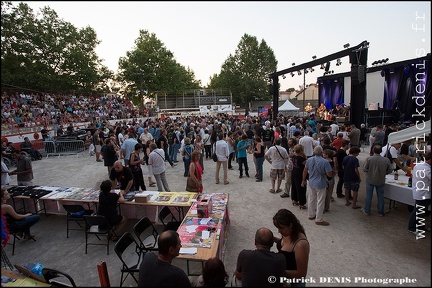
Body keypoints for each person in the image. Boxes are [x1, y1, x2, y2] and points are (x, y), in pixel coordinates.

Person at [272, 209, 310, 287]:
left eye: (281, 228)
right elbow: (286, 244)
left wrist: (278, 270)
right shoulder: (289, 233)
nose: (279, 231)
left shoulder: (301, 245)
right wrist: (272, 238)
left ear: (290, 225)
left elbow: (301, 274)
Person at [302, 146, 333, 226]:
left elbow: (305, 170)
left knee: (311, 199)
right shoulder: (325, 162)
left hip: (311, 182)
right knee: (320, 201)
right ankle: (318, 219)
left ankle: (311, 214)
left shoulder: (309, 160)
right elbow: (329, 174)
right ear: (322, 152)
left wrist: (303, 180)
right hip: (321, 183)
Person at [362, 145, 393, 216]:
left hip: (370, 179)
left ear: (373, 150)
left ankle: (367, 210)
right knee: (381, 196)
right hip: (380, 179)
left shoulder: (369, 159)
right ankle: (380, 211)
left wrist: (370, 171)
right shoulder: (386, 160)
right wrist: (384, 173)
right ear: (381, 151)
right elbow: (390, 170)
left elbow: (364, 169)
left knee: (369, 195)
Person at [408, 152, 431, 236]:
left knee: (420, 211)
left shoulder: (418, 165)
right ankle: (412, 227)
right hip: (423, 193)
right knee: (418, 211)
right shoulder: (427, 169)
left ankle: (420, 226)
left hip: (420, 192)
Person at [291, 144, 307, 209]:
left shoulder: (293, 157)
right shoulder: (302, 159)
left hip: (294, 172)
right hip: (300, 173)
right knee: (301, 188)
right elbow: (306, 166)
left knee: (294, 186)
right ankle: (302, 203)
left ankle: (294, 199)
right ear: (301, 150)